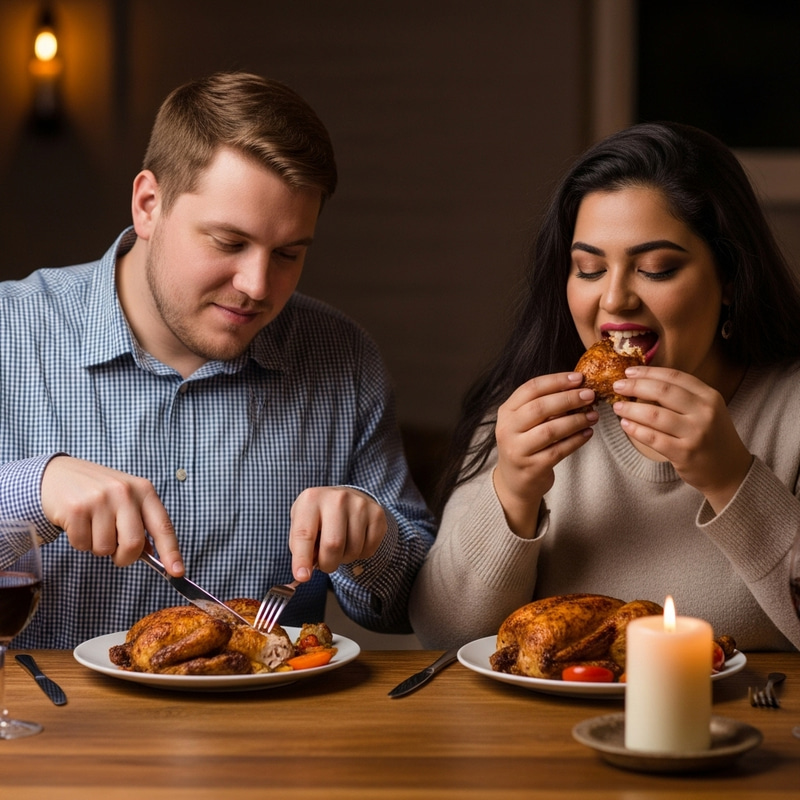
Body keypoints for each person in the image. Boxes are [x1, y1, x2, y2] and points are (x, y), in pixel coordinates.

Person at [0, 72, 435, 649]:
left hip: (265, 730)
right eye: (229, 243)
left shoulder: (345, 358)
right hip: (57, 729)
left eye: (287, 253)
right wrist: (34, 489)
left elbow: (413, 607)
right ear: (149, 205)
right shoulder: (11, 332)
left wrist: (373, 543)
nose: (257, 286)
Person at [409, 121, 800, 652]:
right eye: (589, 269)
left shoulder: (791, 412)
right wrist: (513, 490)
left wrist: (734, 480)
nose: (614, 299)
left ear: (729, 279)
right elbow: (442, 636)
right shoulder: (528, 419)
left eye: (656, 269)